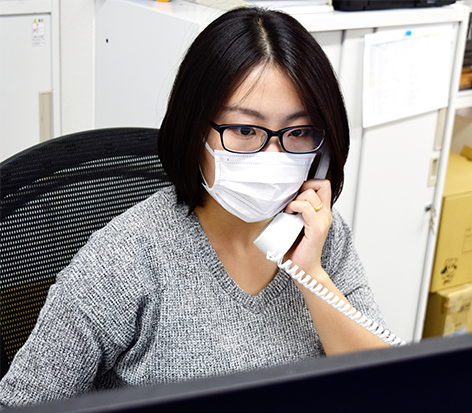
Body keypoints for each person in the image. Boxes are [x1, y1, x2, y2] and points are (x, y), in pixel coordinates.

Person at [0, 7, 400, 408]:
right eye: (245, 130)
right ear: (195, 130)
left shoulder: (321, 234)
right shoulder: (124, 260)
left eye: (298, 132)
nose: (275, 154)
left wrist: (310, 274)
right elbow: (22, 402)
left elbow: (386, 389)